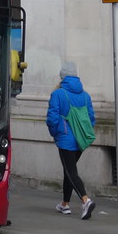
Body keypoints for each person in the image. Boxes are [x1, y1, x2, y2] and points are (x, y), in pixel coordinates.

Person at [47, 60, 97, 220]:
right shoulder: (85, 95)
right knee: (68, 170)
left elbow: (52, 118)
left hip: (66, 139)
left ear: (62, 76)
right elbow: (91, 118)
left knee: (71, 171)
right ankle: (65, 204)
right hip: (81, 140)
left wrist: (56, 133)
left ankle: (85, 200)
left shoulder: (58, 94)